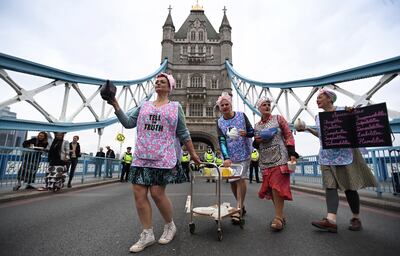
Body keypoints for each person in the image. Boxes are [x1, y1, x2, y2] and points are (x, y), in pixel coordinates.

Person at [108, 72, 201, 253]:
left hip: (163, 156)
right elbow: (128, 123)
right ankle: (147, 233)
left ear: (170, 87)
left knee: (157, 194)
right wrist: (116, 105)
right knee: (139, 195)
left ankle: (169, 226)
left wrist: (193, 153)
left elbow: (183, 133)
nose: (158, 83)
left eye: (162, 81)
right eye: (157, 81)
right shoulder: (144, 106)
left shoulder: (175, 107)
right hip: (141, 155)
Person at [298, 89, 377, 232]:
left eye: (320, 97)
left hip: (345, 155)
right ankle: (331, 220)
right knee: (330, 186)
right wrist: (308, 129)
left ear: (330, 99)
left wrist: (353, 114)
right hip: (326, 156)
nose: (317, 100)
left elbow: (359, 127)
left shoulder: (344, 111)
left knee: (349, 188)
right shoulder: (318, 117)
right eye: (317, 98)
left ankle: (356, 218)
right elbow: (323, 136)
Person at [253, 97, 299, 231]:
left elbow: (289, 135)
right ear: (259, 108)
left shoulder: (279, 119)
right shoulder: (257, 126)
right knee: (272, 188)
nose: (267, 106)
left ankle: (278, 218)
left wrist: (292, 153)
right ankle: (280, 215)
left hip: (281, 158)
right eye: (264, 105)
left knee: (277, 186)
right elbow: (255, 144)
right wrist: (257, 141)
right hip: (265, 160)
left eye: (268, 104)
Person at [216, 91, 254, 224]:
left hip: (243, 152)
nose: (225, 107)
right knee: (232, 181)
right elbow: (221, 140)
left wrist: (246, 133)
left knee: (240, 178)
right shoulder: (219, 122)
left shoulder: (242, 116)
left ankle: (238, 208)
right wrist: (226, 157)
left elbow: (252, 131)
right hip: (230, 155)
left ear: (231, 105)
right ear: (220, 108)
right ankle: (241, 205)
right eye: (222, 105)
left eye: (227, 104)